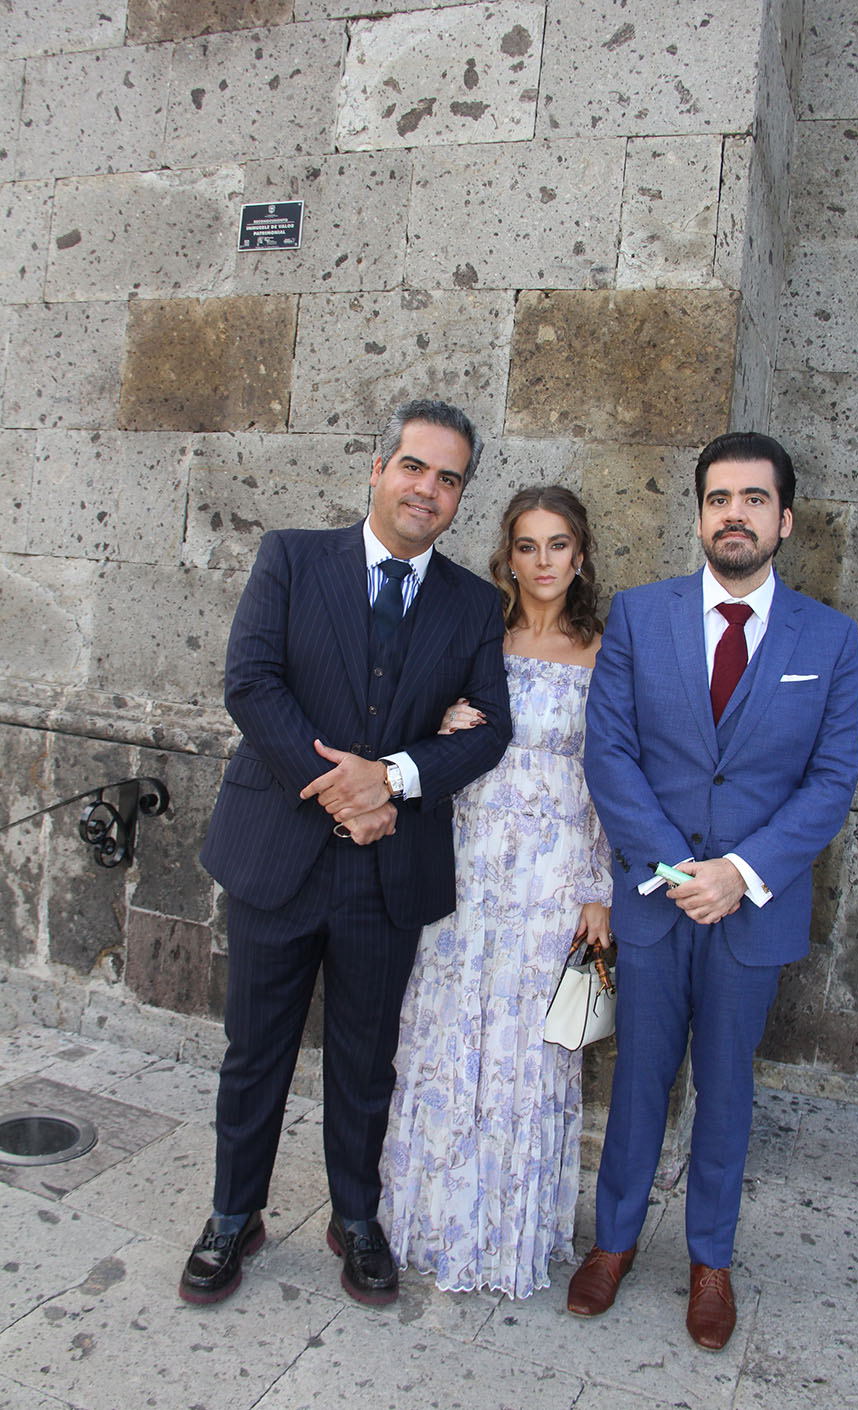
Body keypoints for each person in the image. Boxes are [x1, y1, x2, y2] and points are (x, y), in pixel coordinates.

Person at [179, 399, 512, 1308]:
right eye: (415, 468)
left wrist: (394, 779)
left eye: (448, 479)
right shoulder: (291, 557)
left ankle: (355, 1218)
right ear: (379, 469)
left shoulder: (477, 605)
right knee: (256, 1051)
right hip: (277, 854)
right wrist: (343, 790)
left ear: (458, 499)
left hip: (387, 869)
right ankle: (233, 1214)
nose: (428, 490)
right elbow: (251, 681)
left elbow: (488, 733)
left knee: (367, 1059)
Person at [570, 432, 858, 1350]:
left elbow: (831, 779)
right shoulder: (639, 615)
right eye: (717, 498)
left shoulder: (831, 638)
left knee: (728, 1088)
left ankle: (710, 1260)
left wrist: (737, 874)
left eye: (753, 499)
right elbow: (609, 754)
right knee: (639, 1082)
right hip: (657, 906)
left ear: (784, 519)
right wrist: (675, 872)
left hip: (753, 912)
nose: (733, 514)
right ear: (698, 513)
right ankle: (613, 1241)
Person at [380, 485, 611, 1299]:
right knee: (446, 1030)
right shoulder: (482, 630)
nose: (542, 561)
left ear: (579, 556)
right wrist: (440, 718)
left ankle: (508, 1231)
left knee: (525, 1050)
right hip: (467, 856)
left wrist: (599, 888)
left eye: (557, 546)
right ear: (505, 555)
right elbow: (405, 711)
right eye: (527, 545)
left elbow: (614, 775)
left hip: (552, 875)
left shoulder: (606, 650)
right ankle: (428, 1215)